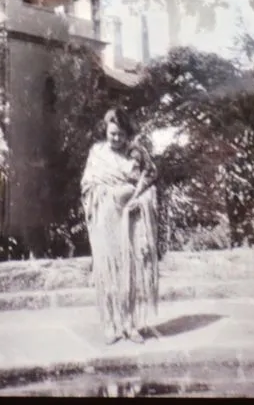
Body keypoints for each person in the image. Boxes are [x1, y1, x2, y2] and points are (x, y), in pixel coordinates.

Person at [80, 108, 160, 344]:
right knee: (109, 271)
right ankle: (111, 325)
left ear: (128, 134)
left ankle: (131, 324)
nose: (116, 139)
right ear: (105, 131)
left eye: (121, 135)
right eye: (112, 134)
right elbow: (87, 185)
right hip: (106, 217)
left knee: (132, 271)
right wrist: (108, 194)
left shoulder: (138, 154)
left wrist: (139, 201)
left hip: (132, 219)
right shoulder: (97, 153)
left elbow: (150, 181)